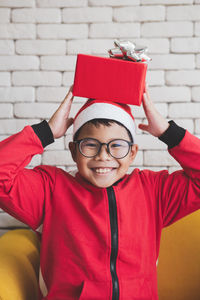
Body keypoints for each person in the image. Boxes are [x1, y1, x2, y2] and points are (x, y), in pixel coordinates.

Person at [0, 84, 200, 300]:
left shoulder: (153, 191)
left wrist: (168, 132)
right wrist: (46, 132)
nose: (103, 156)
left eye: (116, 146)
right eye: (90, 145)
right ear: (73, 151)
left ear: (132, 153)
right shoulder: (51, 190)